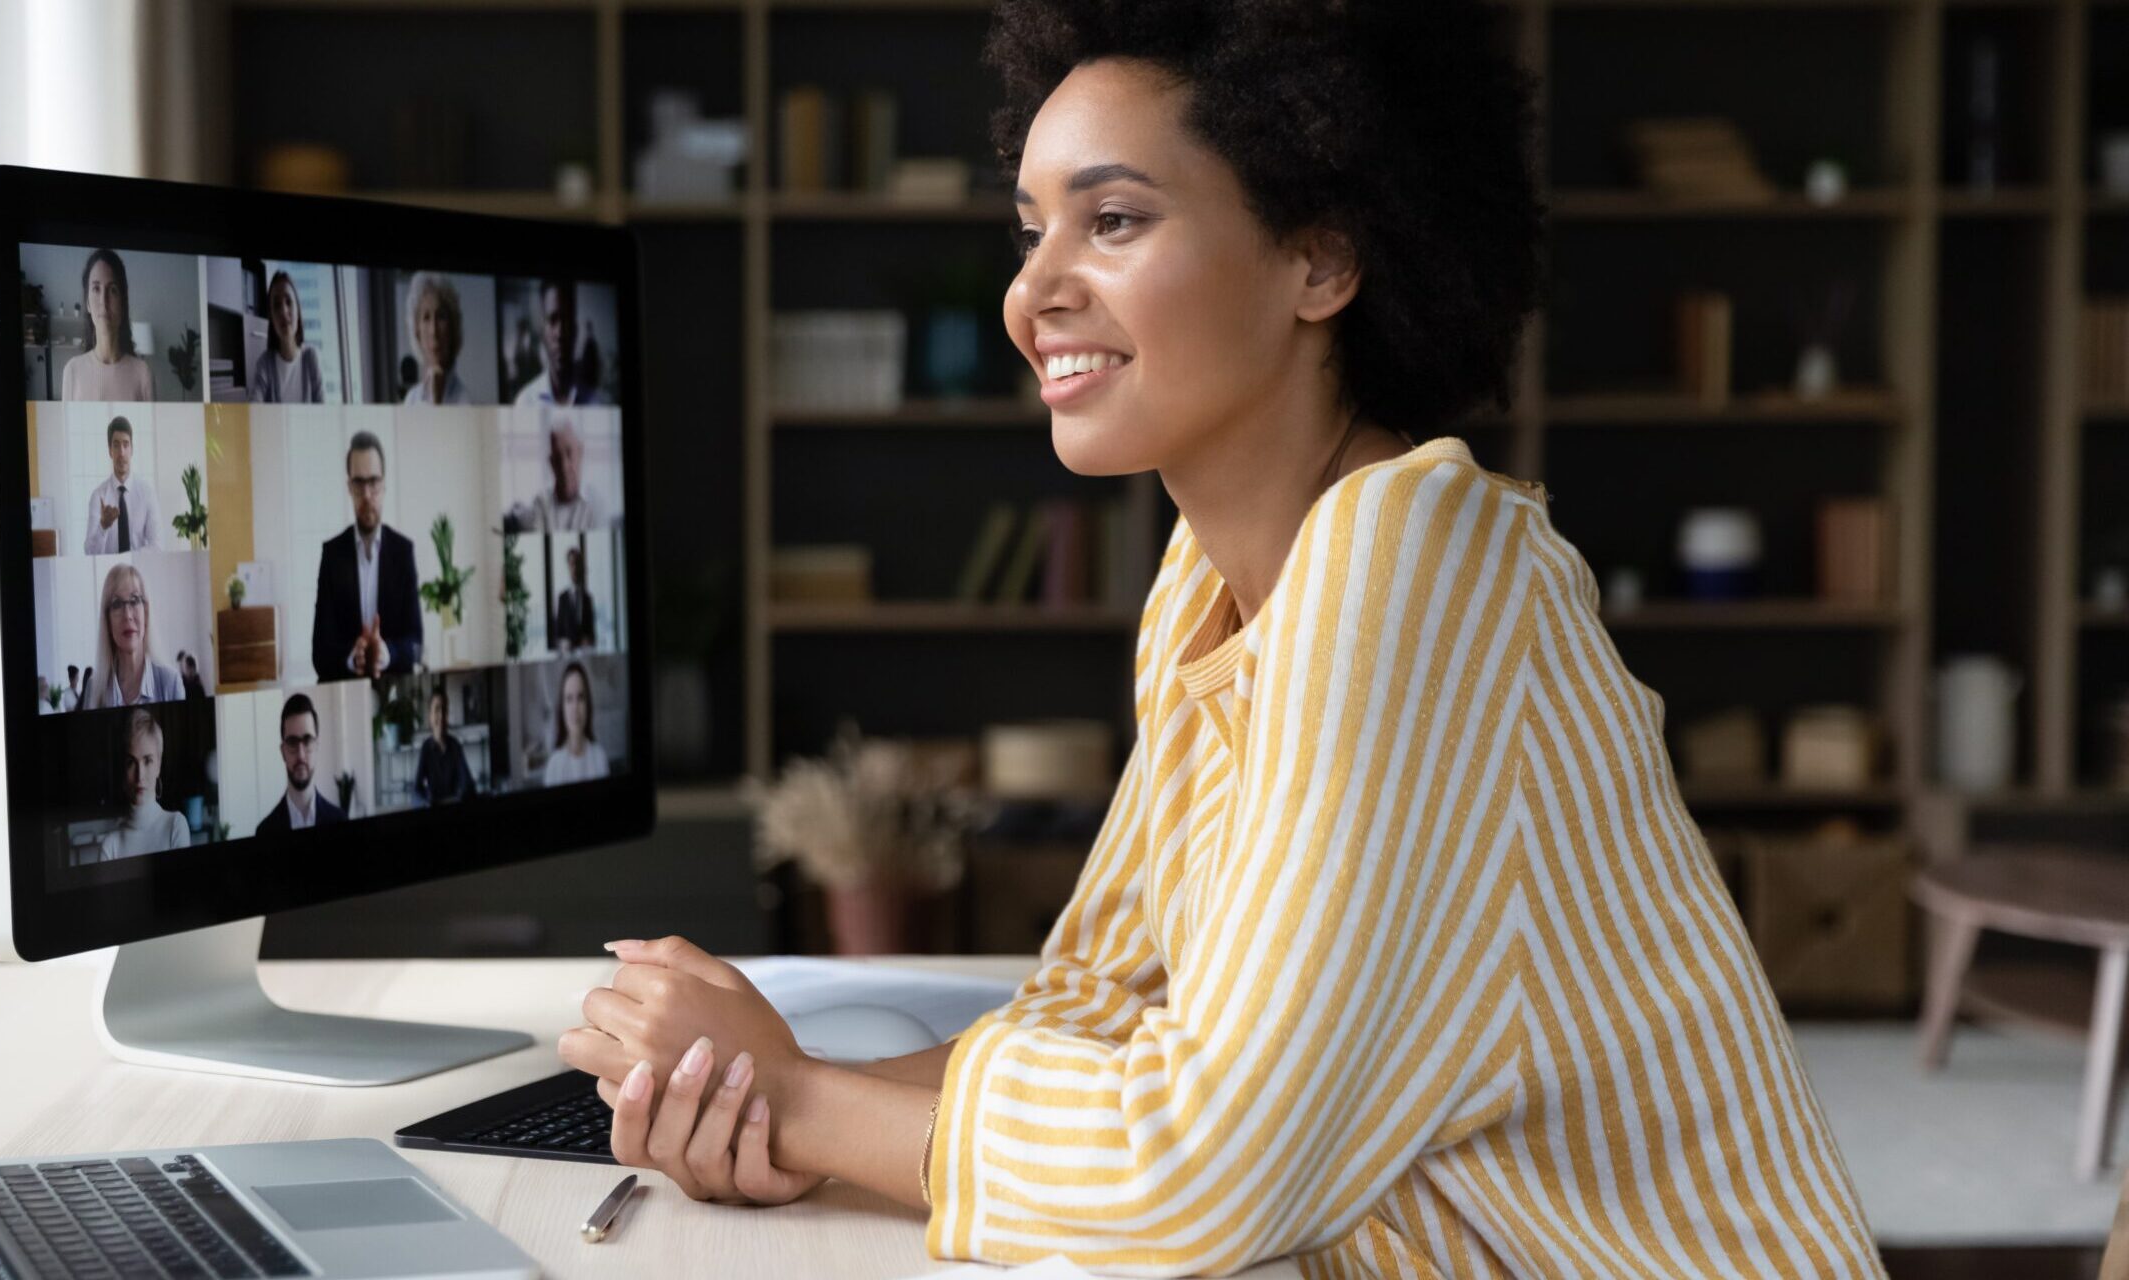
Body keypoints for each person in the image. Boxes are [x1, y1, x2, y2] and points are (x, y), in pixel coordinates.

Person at [555, 5, 1889, 1277]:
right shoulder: (1218, 579)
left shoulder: (1416, 565)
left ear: (1322, 260)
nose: (1033, 296)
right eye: (1032, 233)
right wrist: (747, 1092)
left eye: (1115, 221)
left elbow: (1205, 1171)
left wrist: (793, 1102)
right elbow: (1100, 1006)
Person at [311, 431, 424, 681]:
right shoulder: (331, 555)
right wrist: (352, 657)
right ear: (349, 487)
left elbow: (416, 644)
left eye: (373, 482)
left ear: (384, 484)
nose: (367, 494)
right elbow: (320, 652)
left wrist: (388, 653)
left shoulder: (404, 551)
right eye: (359, 483)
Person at [59, 248, 156, 402]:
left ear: (123, 303)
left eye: (112, 290)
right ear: (87, 303)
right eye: (96, 289)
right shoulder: (72, 371)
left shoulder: (143, 373)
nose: (103, 301)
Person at [86, 562, 184, 708]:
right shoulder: (94, 687)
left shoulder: (171, 682)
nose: (127, 615)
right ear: (107, 620)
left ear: (146, 612)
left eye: (134, 600)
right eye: (117, 604)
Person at [96, 708, 189, 861]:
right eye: (131, 762)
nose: (140, 775)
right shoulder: (110, 845)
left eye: (148, 761)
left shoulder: (175, 826)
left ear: (158, 766)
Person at [255, 693, 346, 836]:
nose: (301, 754)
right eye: (292, 742)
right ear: (283, 752)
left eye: (308, 740)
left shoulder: (341, 820)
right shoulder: (264, 831)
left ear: (317, 747)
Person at [502, 411, 609, 532]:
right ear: (551, 463)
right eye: (558, 458)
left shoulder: (597, 506)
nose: (564, 466)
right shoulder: (540, 503)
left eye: (569, 453)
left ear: (580, 452)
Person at [508, 278, 609, 406]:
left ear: (575, 329)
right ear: (542, 331)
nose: (560, 333)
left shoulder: (597, 404)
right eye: (552, 320)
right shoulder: (525, 402)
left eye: (566, 320)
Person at [82, 415, 160, 554]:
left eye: (126, 444)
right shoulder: (98, 496)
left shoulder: (147, 493)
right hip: (108, 573)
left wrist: (128, 558)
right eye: (116, 445)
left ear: (132, 449)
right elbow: (89, 553)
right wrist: (103, 526)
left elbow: (157, 545)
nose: (121, 453)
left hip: (138, 571)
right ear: (110, 451)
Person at [247, 270, 324, 403]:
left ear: (298, 311)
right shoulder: (265, 364)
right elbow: (253, 409)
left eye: (288, 302)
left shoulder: (311, 358)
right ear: (271, 318)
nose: (283, 311)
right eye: (276, 305)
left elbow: (324, 413)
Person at [401, 273, 473, 405]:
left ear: (452, 328)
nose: (433, 331)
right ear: (417, 331)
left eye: (441, 317)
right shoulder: (411, 399)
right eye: (426, 318)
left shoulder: (465, 399)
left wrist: (437, 401)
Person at [539, 662, 608, 786]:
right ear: (562, 708)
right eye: (569, 699)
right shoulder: (554, 766)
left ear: (588, 705)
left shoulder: (600, 758)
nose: (575, 707)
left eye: (580, 697)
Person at [414, 686, 475, 806]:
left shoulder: (455, 745)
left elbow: (467, 782)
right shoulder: (426, 748)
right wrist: (426, 802)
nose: (441, 716)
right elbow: (417, 789)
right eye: (437, 709)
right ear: (430, 716)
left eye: (444, 709)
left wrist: (462, 794)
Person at [550, 546, 597, 651]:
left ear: (582, 567)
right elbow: (556, 636)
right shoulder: (561, 599)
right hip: (566, 659)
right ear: (568, 566)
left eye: (577, 564)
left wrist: (589, 641)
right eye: (572, 564)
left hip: (585, 657)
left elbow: (593, 635)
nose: (575, 568)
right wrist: (563, 643)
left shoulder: (588, 599)